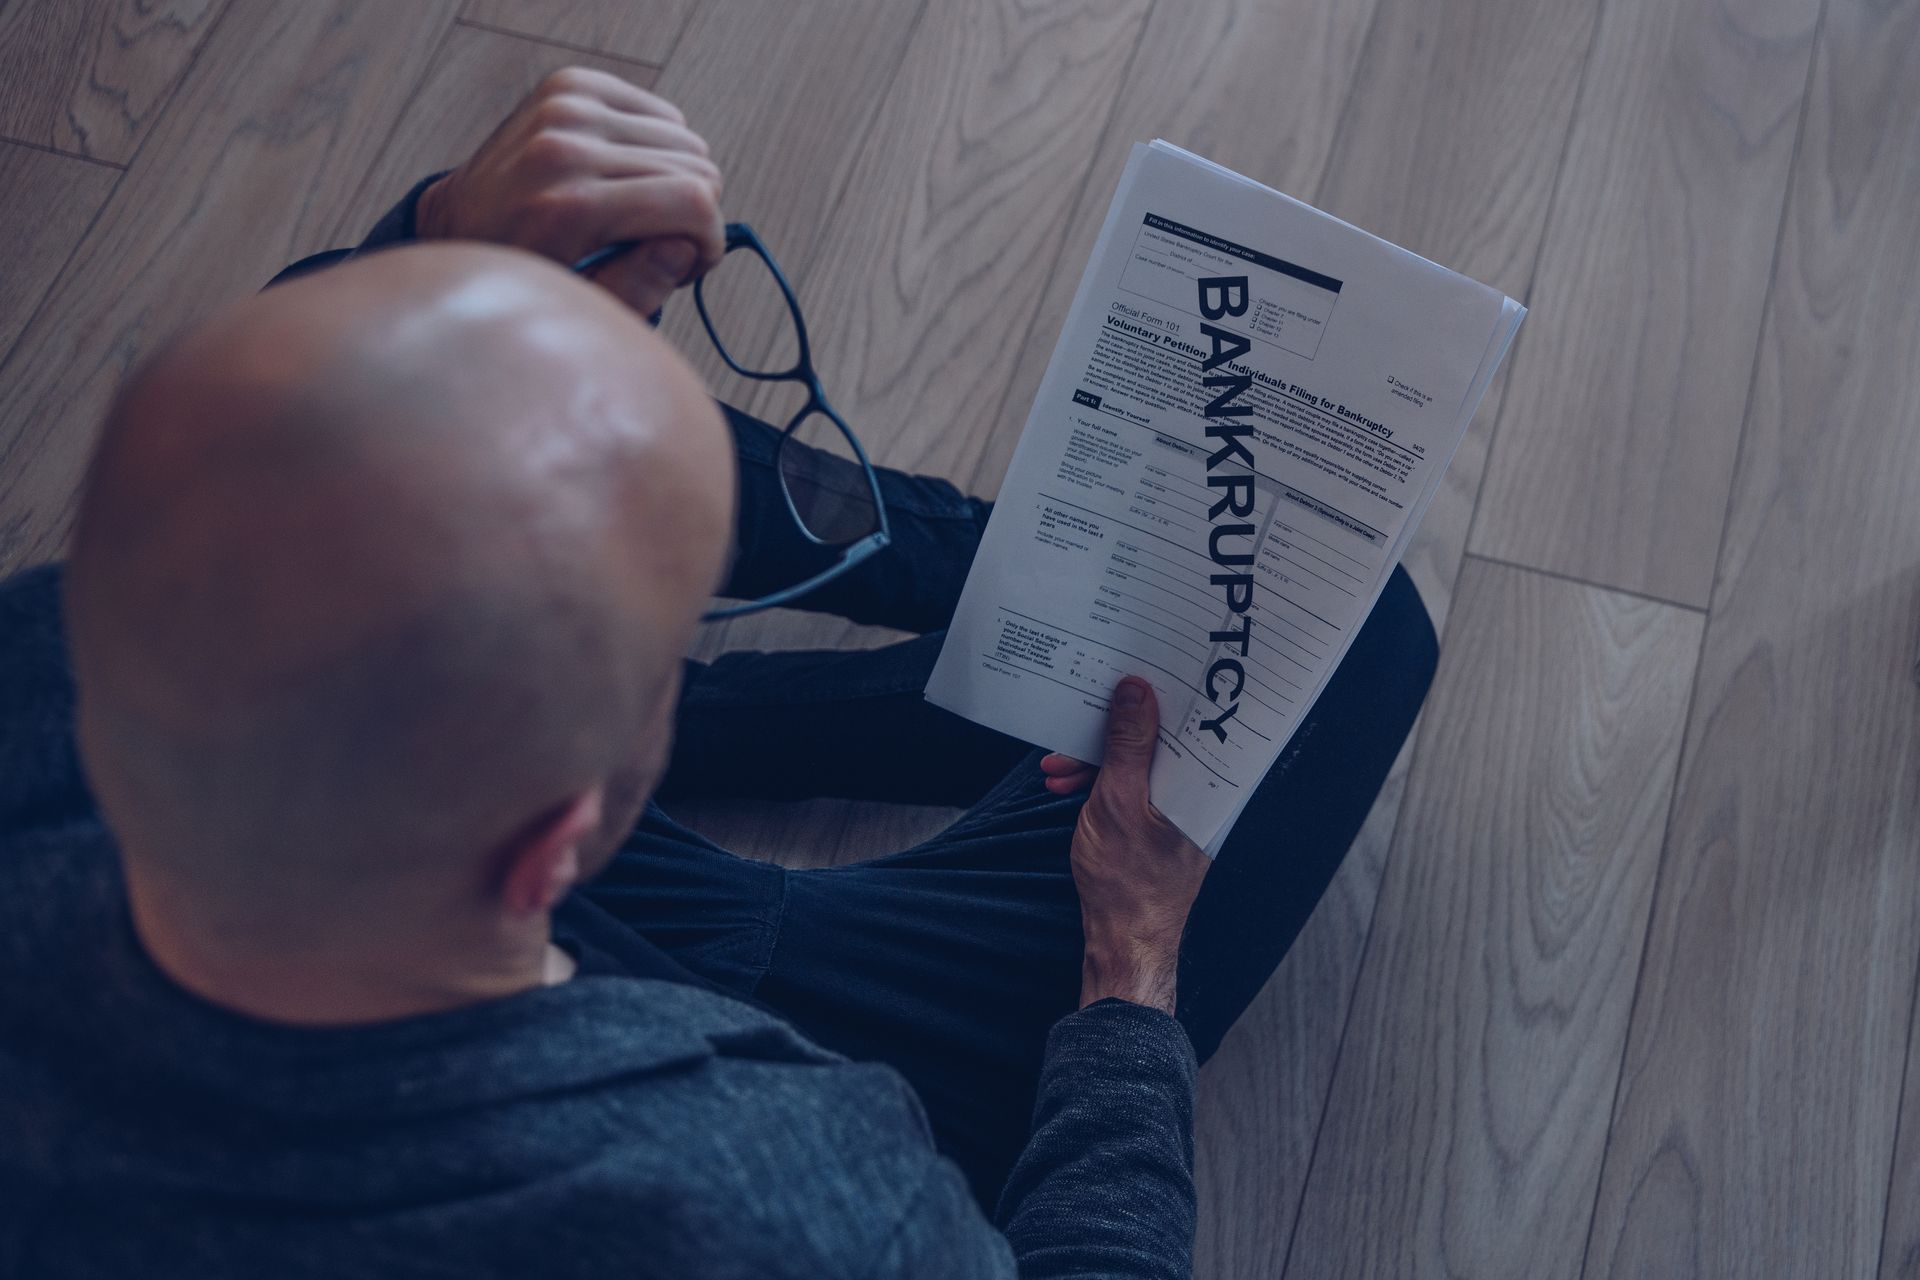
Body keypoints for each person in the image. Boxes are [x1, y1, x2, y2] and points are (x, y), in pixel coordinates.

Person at [0, 69, 1437, 1278]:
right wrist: (1127, 977)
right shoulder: (785, 1199)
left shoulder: (38, 673)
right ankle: (981, 620)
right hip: (796, 1042)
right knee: (1351, 631)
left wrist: (439, 253)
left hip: (473, 921)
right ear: (560, 833)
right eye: (659, 652)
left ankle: (948, 618)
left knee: (527, 433)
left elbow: (253, 487)